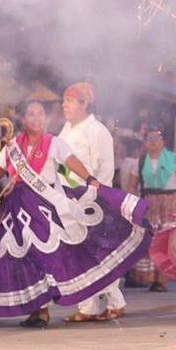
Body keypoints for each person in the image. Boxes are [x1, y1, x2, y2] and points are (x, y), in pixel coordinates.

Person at [0, 101, 151, 327]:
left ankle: (45, 309)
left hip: (43, 207)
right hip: (16, 208)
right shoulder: (12, 146)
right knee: (22, 258)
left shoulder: (54, 143)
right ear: (23, 119)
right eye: (31, 114)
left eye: (40, 114)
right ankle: (37, 310)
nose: (36, 119)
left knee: (42, 255)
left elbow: (72, 162)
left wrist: (90, 180)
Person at [56, 82, 124, 322]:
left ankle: (115, 302)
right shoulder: (66, 129)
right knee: (77, 252)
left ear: (83, 104)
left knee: (97, 252)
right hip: (68, 199)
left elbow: (104, 169)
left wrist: (94, 198)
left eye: (70, 100)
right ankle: (88, 307)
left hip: (93, 200)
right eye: (64, 100)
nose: (64, 105)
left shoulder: (97, 131)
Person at [136, 127, 176, 293]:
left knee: (166, 239)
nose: (153, 141)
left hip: (170, 201)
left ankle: (163, 279)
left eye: (157, 138)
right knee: (151, 240)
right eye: (150, 138)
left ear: (163, 142)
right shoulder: (140, 161)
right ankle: (152, 278)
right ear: (145, 143)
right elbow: (133, 185)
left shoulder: (174, 159)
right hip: (150, 201)